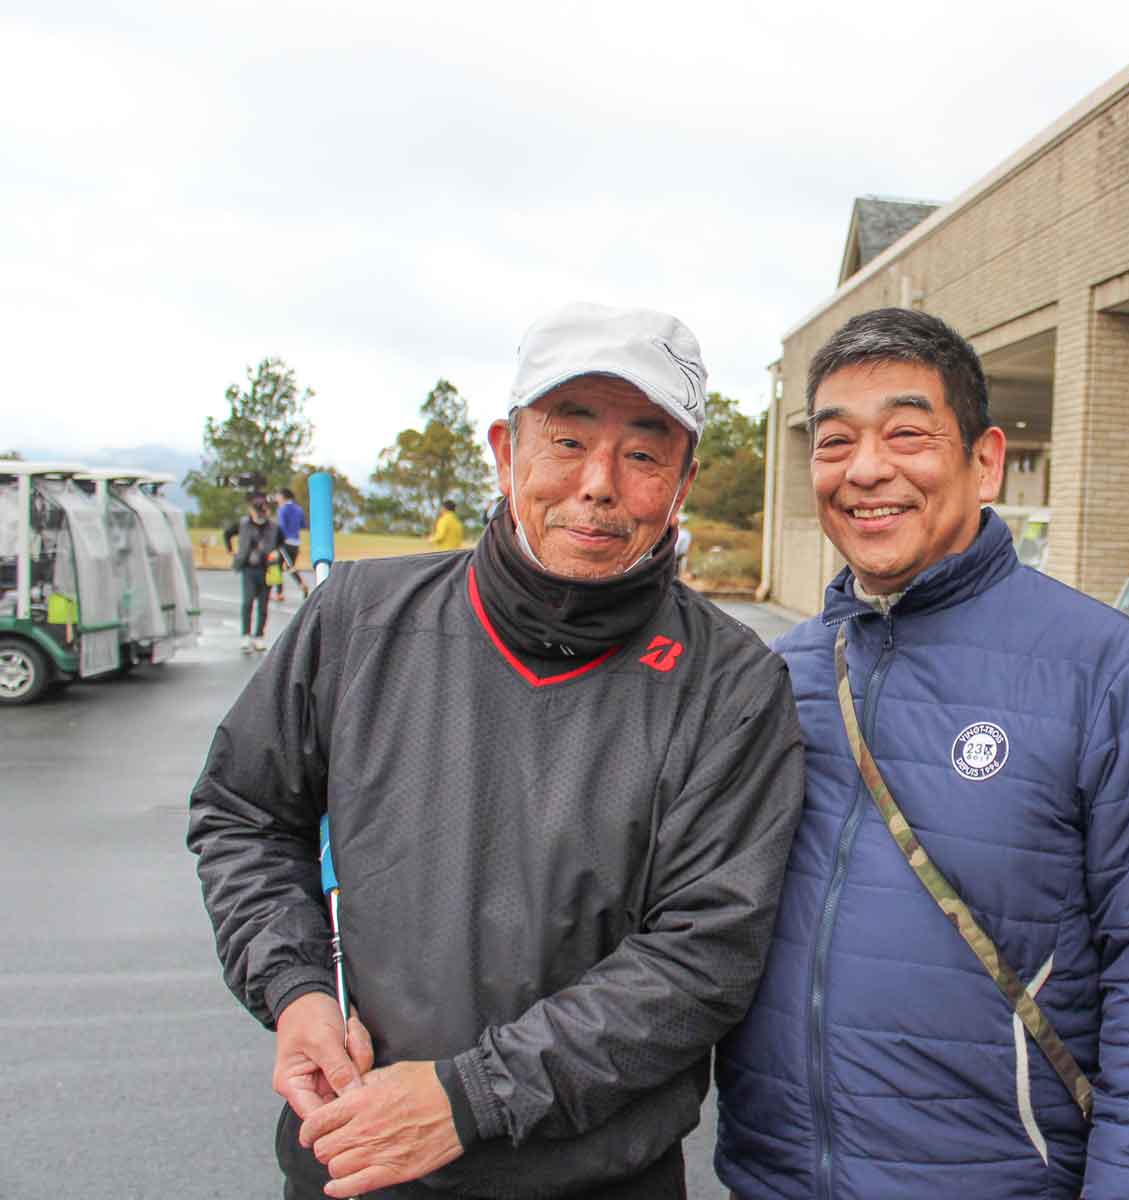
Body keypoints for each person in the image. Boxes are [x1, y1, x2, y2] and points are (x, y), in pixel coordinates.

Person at [188, 301, 804, 1200]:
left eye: (642, 453)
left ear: (682, 481)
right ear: (505, 450)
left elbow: (703, 955)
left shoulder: (731, 684)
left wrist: (466, 1099)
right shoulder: (360, 619)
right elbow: (246, 813)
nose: (599, 483)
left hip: (598, 1178)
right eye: (567, 439)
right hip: (354, 1160)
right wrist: (296, 989)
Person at [715, 307, 1129, 1200]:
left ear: (985, 460)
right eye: (835, 442)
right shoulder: (778, 677)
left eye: (906, 434)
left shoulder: (1110, 677)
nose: (866, 470)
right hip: (775, 1178)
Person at [224, 491, 284, 653]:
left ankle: (259, 636)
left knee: (263, 605)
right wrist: (232, 551)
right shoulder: (243, 524)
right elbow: (227, 533)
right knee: (247, 602)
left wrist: (277, 555)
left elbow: (281, 545)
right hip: (249, 568)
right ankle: (246, 635)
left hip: (267, 569)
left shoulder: (273, 528)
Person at [275, 487, 311, 601]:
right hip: (295, 542)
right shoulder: (299, 509)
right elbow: (303, 525)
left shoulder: (282, 509)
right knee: (288, 566)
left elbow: (281, 527)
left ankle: (298, 585)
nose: (277, 498)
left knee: (279, 567)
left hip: (284, 542)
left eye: (278, 495)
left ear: (283, 496)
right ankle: (280, 592)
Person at [673, 511, 692, 577]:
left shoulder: (684, 533)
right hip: (678, 558)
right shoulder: (686, 534)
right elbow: (684, 549)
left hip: (674, 558)